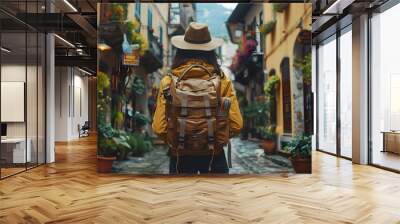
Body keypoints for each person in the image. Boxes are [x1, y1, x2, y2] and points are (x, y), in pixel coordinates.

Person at [152, 22, 243, 174]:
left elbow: (159, 127)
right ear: (211, 51)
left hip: (179, 157)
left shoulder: (169, 81)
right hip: (215, 157)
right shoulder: (222, 81)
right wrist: (217, 137)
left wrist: (176, 139)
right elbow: (237, 124)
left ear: (181, 50)